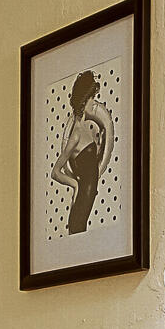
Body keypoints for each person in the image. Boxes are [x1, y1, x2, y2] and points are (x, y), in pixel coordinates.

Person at [50, 69, 113, 235]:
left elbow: (92, 164)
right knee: (78, 230)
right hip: (83, 196)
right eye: (91, 99)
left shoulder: (88, 129)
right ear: (84, 101)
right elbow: (55, 172)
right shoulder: (76, 133)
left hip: (90, 192)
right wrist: (75, 185)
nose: (94, 103)